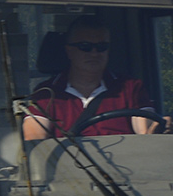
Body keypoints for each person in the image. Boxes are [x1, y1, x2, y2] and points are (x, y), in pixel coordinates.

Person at [22, 16, 163, 140]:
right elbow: (35, 141)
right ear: (69, 50)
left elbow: (146, 133)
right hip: (69, 169)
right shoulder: (45, 94)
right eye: (85, 47)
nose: (94, 53)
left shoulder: (130, 88)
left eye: (101, 47)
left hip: (126, 167)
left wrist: (157, 130)